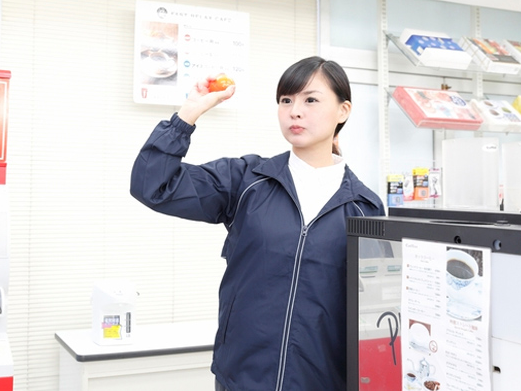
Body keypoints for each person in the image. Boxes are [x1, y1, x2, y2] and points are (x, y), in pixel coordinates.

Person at [130, 56, 385, 390]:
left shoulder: (364, 208)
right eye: (286, 100)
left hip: (322, 382)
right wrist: (187, 114)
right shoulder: (245, 180)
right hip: (242, 379)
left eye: (311, 99)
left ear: (343, 111)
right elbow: (153, 185)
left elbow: (375, 314)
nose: (295, 110)